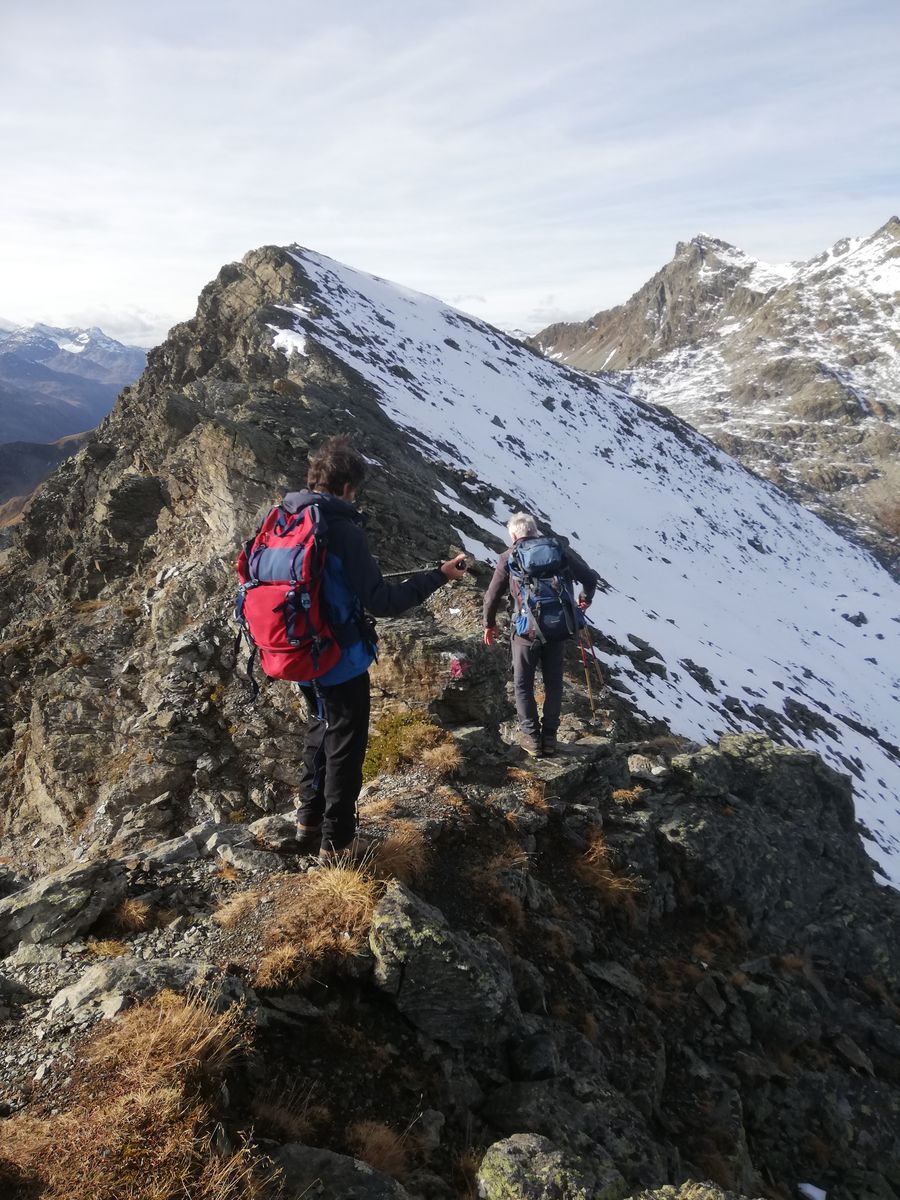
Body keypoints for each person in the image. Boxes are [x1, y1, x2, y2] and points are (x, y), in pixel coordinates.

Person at [286, 436, 467, 863]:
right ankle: (339, 843)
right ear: (348, 487)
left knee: (320, 727)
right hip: (338, 656)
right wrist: (439, 577)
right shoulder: (341, 529)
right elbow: (382, 601)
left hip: (296, 649)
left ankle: (308, 821)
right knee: (345, 745)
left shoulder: (286, 517)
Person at [483, 512, 597, 757]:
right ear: (534, 532)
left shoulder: (509, 556)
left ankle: (531, 738)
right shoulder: (558, 551)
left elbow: (491, 596)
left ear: (514, 536)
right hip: (557, 629)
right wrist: (584, 599)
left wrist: (488, 624)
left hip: (526, 631)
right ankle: (550, 738)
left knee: (522, 684)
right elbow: (590, 578)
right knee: (553, 682)